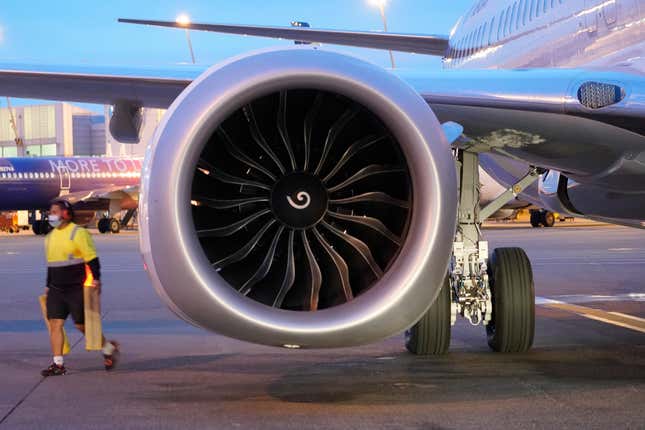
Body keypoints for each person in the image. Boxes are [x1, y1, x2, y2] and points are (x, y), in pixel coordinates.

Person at [41, 199, 120, 376]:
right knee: (55, 324)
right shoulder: (50, 237)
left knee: (82, 326)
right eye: (50, 211)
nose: (50, 214)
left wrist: (97, 279)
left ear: (66, 214)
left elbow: (91, 258)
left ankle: (108, 348)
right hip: (56, 288)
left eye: (54, 211)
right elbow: (51, 264)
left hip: (75, 288)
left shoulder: (78, 233)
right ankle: (58, 364)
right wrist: (48, 286)